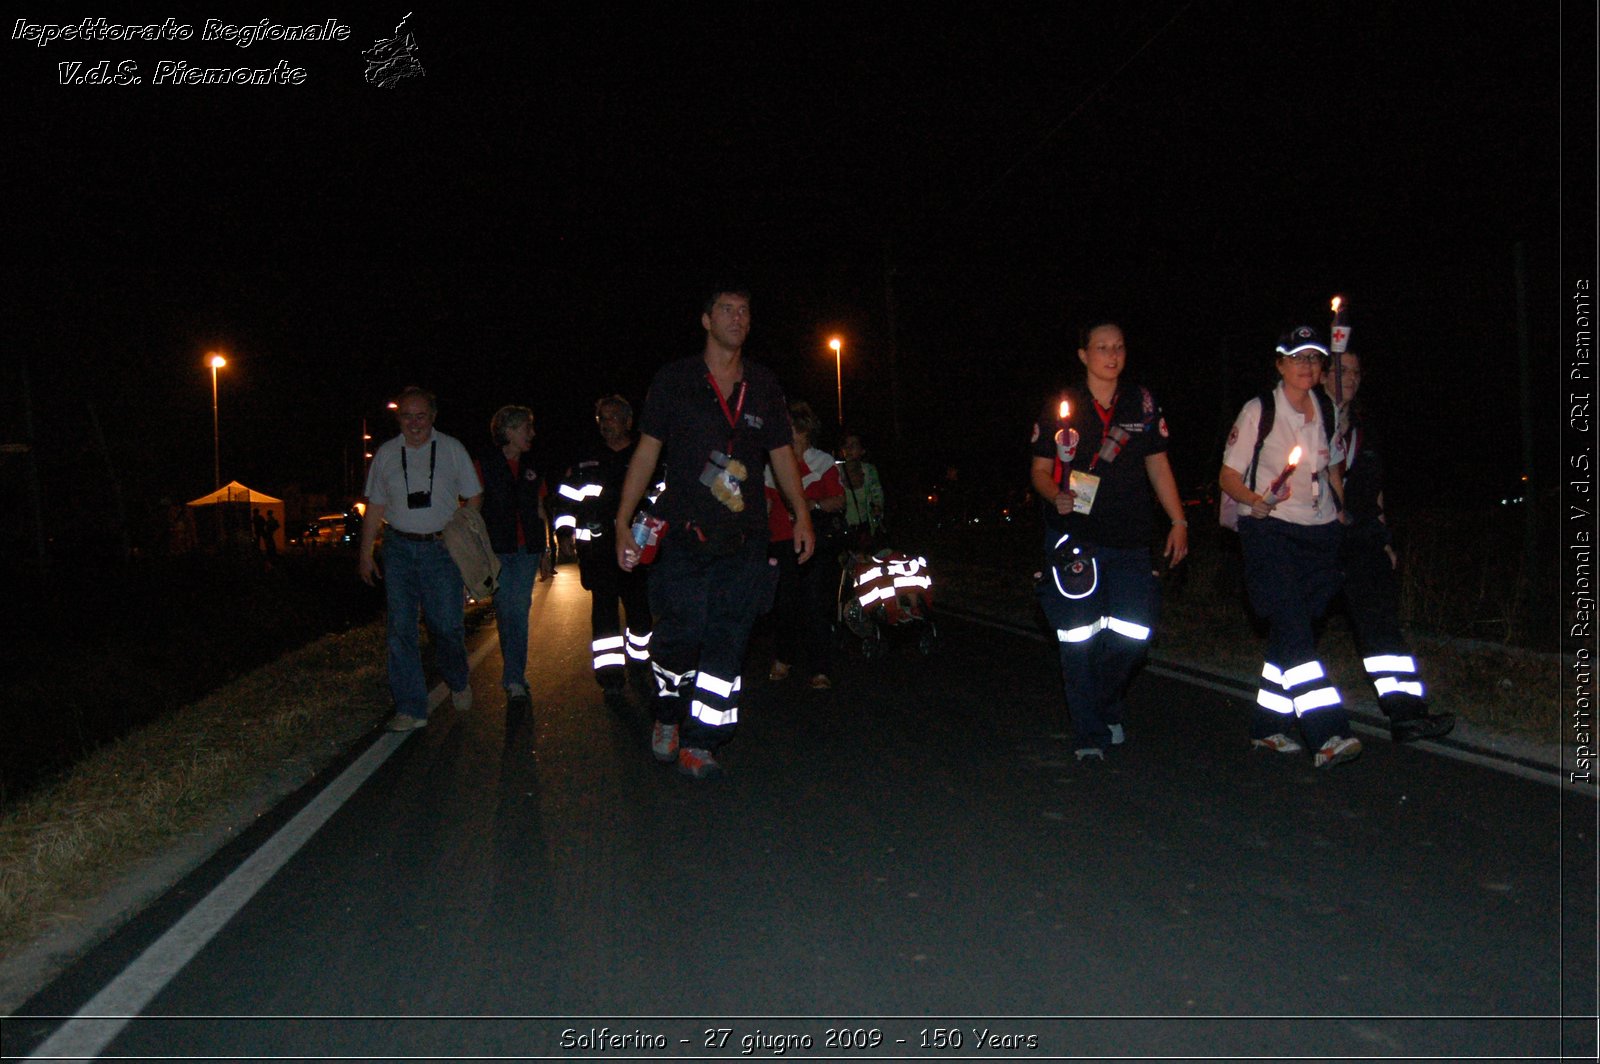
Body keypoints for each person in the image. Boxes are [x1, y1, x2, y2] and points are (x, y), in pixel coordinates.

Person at [614, 284, 815, 779]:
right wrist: (622, 520)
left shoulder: (764, 385)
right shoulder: (675, 380)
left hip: (745, 539)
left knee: (729, 641)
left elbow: (782, 455)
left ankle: (702, 742)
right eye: (726, 310)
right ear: (706, 320)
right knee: (681, 635)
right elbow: (646, 451)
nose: (737, 318)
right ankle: (667, 715)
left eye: (745, 310)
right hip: (685, 535)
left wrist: (801, 513)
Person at [1029, 319, 1189, 760]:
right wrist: (1056, 495)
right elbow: (1040, 472)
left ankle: (1100, 704)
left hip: (1130, 537)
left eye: (1118, 346)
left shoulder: (1141, 402)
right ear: (1084, 355)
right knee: (1079, 636)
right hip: (1074, 538)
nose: (1112, 355)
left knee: (1134, 633)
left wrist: (1179, 521)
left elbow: (1159, 465)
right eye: (1101, 347)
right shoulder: (1062, 405)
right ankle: (1089, 732)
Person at [1219, 326, 1360, 768]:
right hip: (1270, 530)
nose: (1307, 366)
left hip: (1318, 534)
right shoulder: (1259, 410)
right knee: (1295, 628)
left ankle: (1267, 727)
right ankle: (1328, 733)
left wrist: (1341, 513)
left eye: (1315, 360)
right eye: (1297, 358)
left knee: (1294, 631)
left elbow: (1334, 468)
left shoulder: (1329, 410)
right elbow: (1228, 477)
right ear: (1280, 365)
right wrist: (1255, 501)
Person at [1330, 350, 1454, 743]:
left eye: (1355, 371)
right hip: (1318, 540)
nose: (1350, 377)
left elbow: (1376, 488)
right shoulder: (1307, 421)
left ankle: (1407, 715)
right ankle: (1276, 720)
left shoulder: (1365, 428)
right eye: (1341, 370)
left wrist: (1385, 540)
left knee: (1381, 628)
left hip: (1363, 540)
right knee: (1295, 629)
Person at [359, 386, 484, 732]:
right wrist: (365, 554)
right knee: (400, 629)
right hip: (398, 548)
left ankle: (458, 680)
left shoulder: (451, 449)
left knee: (446, 627)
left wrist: (462, 534)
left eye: (421, 415)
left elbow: (474, 497)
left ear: (433, 416)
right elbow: (375, 507)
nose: (414, 423)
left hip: (441, 550)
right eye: (407, 416)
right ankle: (412, 707)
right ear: (398, 417)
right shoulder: (386, 453)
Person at [553, 395, 654, 703]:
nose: (607, 424)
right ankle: (610, 677)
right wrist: (564, 531)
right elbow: (566, 497)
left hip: (636, 547)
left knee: (639, 610)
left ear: (628, 421)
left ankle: (640, 660)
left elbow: (661, 493)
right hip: (597, 550)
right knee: (604, 613)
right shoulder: (586, 457)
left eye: (612, 417)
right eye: (602, 418)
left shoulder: (645, 453)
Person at [765, 401, 846, 690]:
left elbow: (839, 500)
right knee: (784, 603)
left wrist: (811, 506)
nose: (786, 435)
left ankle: (820, 667)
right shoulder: (772, 464)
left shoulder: (822, 462)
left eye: (791, 430)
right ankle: (784, 657)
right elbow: (765, 503)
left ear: (804, 432)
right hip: (780, 542)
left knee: (814, 603)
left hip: (815, 541)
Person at [475, 405, 546, 713]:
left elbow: (540, 509)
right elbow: (473, 511)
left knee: (518, 608)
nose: (531, 433)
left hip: (527, 549)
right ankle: (514, 675)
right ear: (508, 431)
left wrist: (546, 551)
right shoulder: (484, 465)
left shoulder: (533, 464)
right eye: (526, 428)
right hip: (498, 550)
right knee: (509, 610)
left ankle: (514, 676)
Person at [838, 431, 886, 551]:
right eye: (846, 445)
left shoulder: (869, 471)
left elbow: (877, 498)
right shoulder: (834, 472)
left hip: (864, 532)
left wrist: (877, 510)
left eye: (853, 445)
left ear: (862, 450)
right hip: (841, 534)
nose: (848, 449)